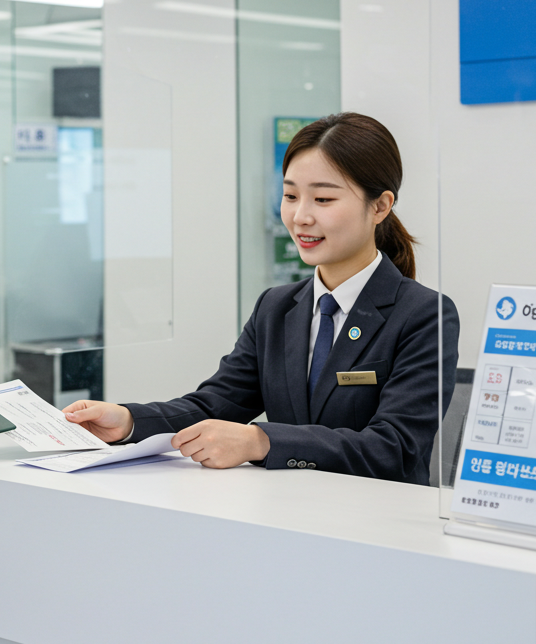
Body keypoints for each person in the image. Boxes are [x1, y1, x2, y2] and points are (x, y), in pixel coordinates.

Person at [65, 112, 458, 484]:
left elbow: (395, 448)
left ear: (380, 206)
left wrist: (261, 441)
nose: (301, 217)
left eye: (323, 200)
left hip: (378, 527)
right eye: (290, 196)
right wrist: (129, 420)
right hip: (282, 515)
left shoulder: (423, 315)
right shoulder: (277, 307)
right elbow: (215, 405)